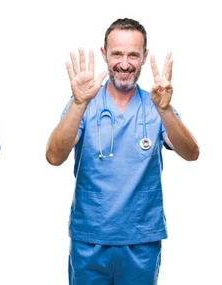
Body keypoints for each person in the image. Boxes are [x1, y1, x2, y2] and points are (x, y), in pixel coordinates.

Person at [46, 18, 200, 284]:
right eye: (117, 53)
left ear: (144, 57)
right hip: (90, 238)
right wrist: (79, 103)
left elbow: (191, 152)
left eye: (133, 55)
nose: (125, 63)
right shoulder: (84, 104)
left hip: (141, 240)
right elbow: (54, 156)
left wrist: (164, 110)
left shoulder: (156, 104)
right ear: (105, 54)